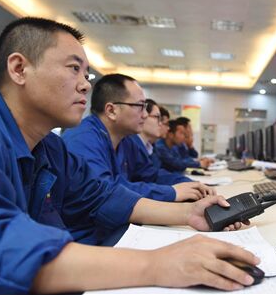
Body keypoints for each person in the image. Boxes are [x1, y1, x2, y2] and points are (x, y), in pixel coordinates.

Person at [0, 17, 258, 294]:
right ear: (19, 68)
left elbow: (101, 195)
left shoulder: (48, 145)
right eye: (74, 69)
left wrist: (188, 214)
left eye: (86, 75)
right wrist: (155, 264)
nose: (86, 86)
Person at [62, 74, 214, 231]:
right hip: (89, 234)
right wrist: (172, 193)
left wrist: (189, 184)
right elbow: (108, 194)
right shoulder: (82, 140)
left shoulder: (125, 139)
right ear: (111, 110)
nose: (145, 115)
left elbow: (150, 174)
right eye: (140, 106)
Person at [121, 99, 198, 186]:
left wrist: (188, 183)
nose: (161, 124)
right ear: (142, 117)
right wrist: (174, 191)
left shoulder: (147, 146)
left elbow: (153, 174)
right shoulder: (131, 145)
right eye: (157, 117)